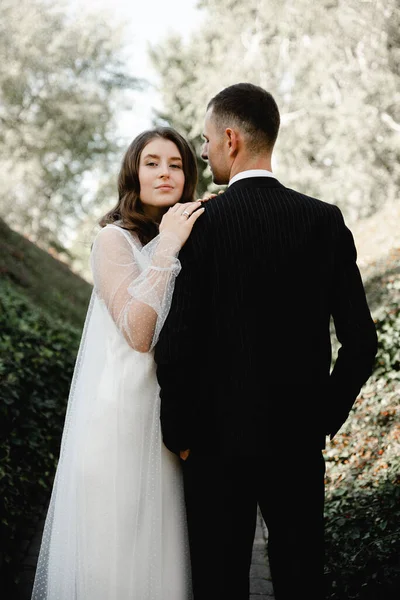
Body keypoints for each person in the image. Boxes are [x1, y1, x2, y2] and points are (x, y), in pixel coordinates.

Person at [154, 83, 378, 600]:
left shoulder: (199, 225)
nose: (203, 151)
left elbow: (177, 341)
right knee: (300, 579)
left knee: (219, 581)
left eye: (207, 140)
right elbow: (362, 343)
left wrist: (178, 431)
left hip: (212, 445)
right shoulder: (323, 221)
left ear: (230, 139)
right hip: (296, 443)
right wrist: (321, 416)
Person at [31, 126, 206, 600]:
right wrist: (167, 245)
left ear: (189, 174)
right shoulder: (113, 240)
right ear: (133, 171)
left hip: (166, 422)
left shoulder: (196, 232)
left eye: (176, 163)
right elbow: (138, 331)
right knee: (116, 560)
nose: (165, 172)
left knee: (159, 556)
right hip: (117, 423)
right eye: (152, 162)